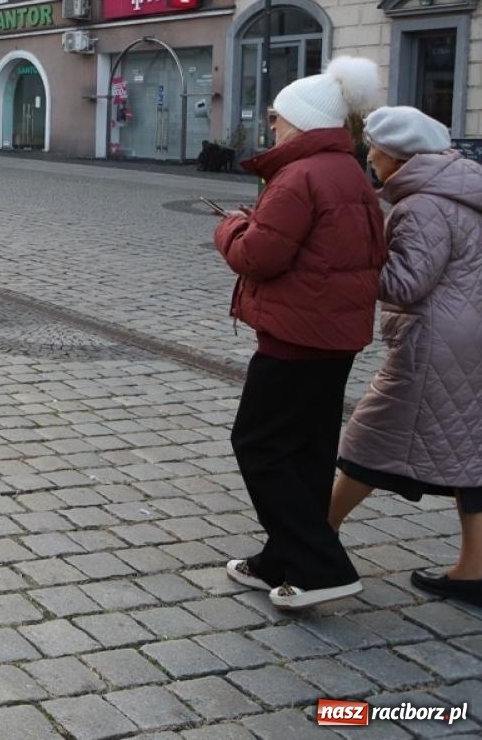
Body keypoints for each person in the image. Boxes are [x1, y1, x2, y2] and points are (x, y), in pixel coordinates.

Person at [214, 56, 384, 611]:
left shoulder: (300, 174)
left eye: (278, 116)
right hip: (334, 335)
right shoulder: (348, 171)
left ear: (303, 120)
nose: (272, 125)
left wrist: (230, 228)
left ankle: (321, 566)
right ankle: (282, 558)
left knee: (259, 445)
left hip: (295, 336)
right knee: (307, 451)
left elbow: (258, 257)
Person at [329, 106, 482, 607]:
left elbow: (405, 283)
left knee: (372, 437)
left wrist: (355, 258)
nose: (369, 157)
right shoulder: (463, 186)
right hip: (470, 337)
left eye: (374, 148)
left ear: (397, 155)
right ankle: (475, 569)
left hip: (436, 344)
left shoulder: (422, 206)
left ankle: (315, 538)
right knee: (470, 451)